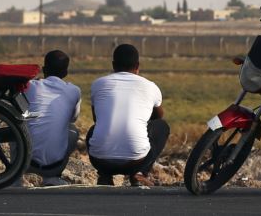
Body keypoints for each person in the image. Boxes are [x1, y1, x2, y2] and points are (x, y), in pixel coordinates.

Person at [87, 43, 169, 186]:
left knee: (93, 130)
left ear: (113, 65)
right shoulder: (150, 86)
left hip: (100, 161)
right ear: (137, 65)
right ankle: (140, 174)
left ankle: (105, 175)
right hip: (135, 162)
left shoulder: (98, 84)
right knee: (162, 127)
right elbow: (159, 116)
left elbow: (96, 118)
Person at [25, 49, 81, 186]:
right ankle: (53, 177)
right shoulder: (74, 91)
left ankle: (15, 178)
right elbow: (72, 119)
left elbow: (22, 111)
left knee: (18, 123)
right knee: (72, 130)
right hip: (53, 167)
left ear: (44, 69)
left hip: (25, 163)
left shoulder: (30, 86)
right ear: (65, 72)